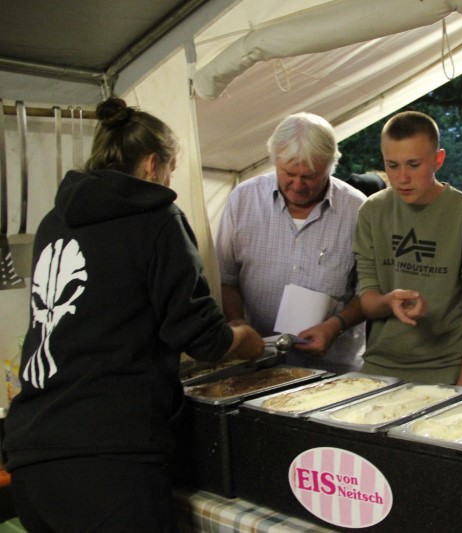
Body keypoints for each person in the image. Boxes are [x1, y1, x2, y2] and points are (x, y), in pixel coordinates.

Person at [2, 96, 265, 532]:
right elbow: (201, 336)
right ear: (151, 164)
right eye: (171, 169)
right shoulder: (158, 218)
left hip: (32, 451)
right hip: (108, 459)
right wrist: (243, 337)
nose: (169, 181)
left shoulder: (54, 220)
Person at [353, 111, 462, 386]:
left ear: (438, 160)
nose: (402, 178)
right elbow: (368, 301)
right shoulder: (372, 210)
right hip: (378, 366)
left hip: (445, 370)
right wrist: (389, 301)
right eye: (392, 165)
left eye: (413, 165)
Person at [215, 113, 367, 374]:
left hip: (333, 370)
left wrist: (335, 325)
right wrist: (238, 323)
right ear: (275, 161)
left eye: (310, 176)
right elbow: (226, 278)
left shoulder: (358, 210)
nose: (297, 185)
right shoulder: (243, 200)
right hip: (259, 365)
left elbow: (368, 291)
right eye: (288, 173)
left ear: (330, 166)